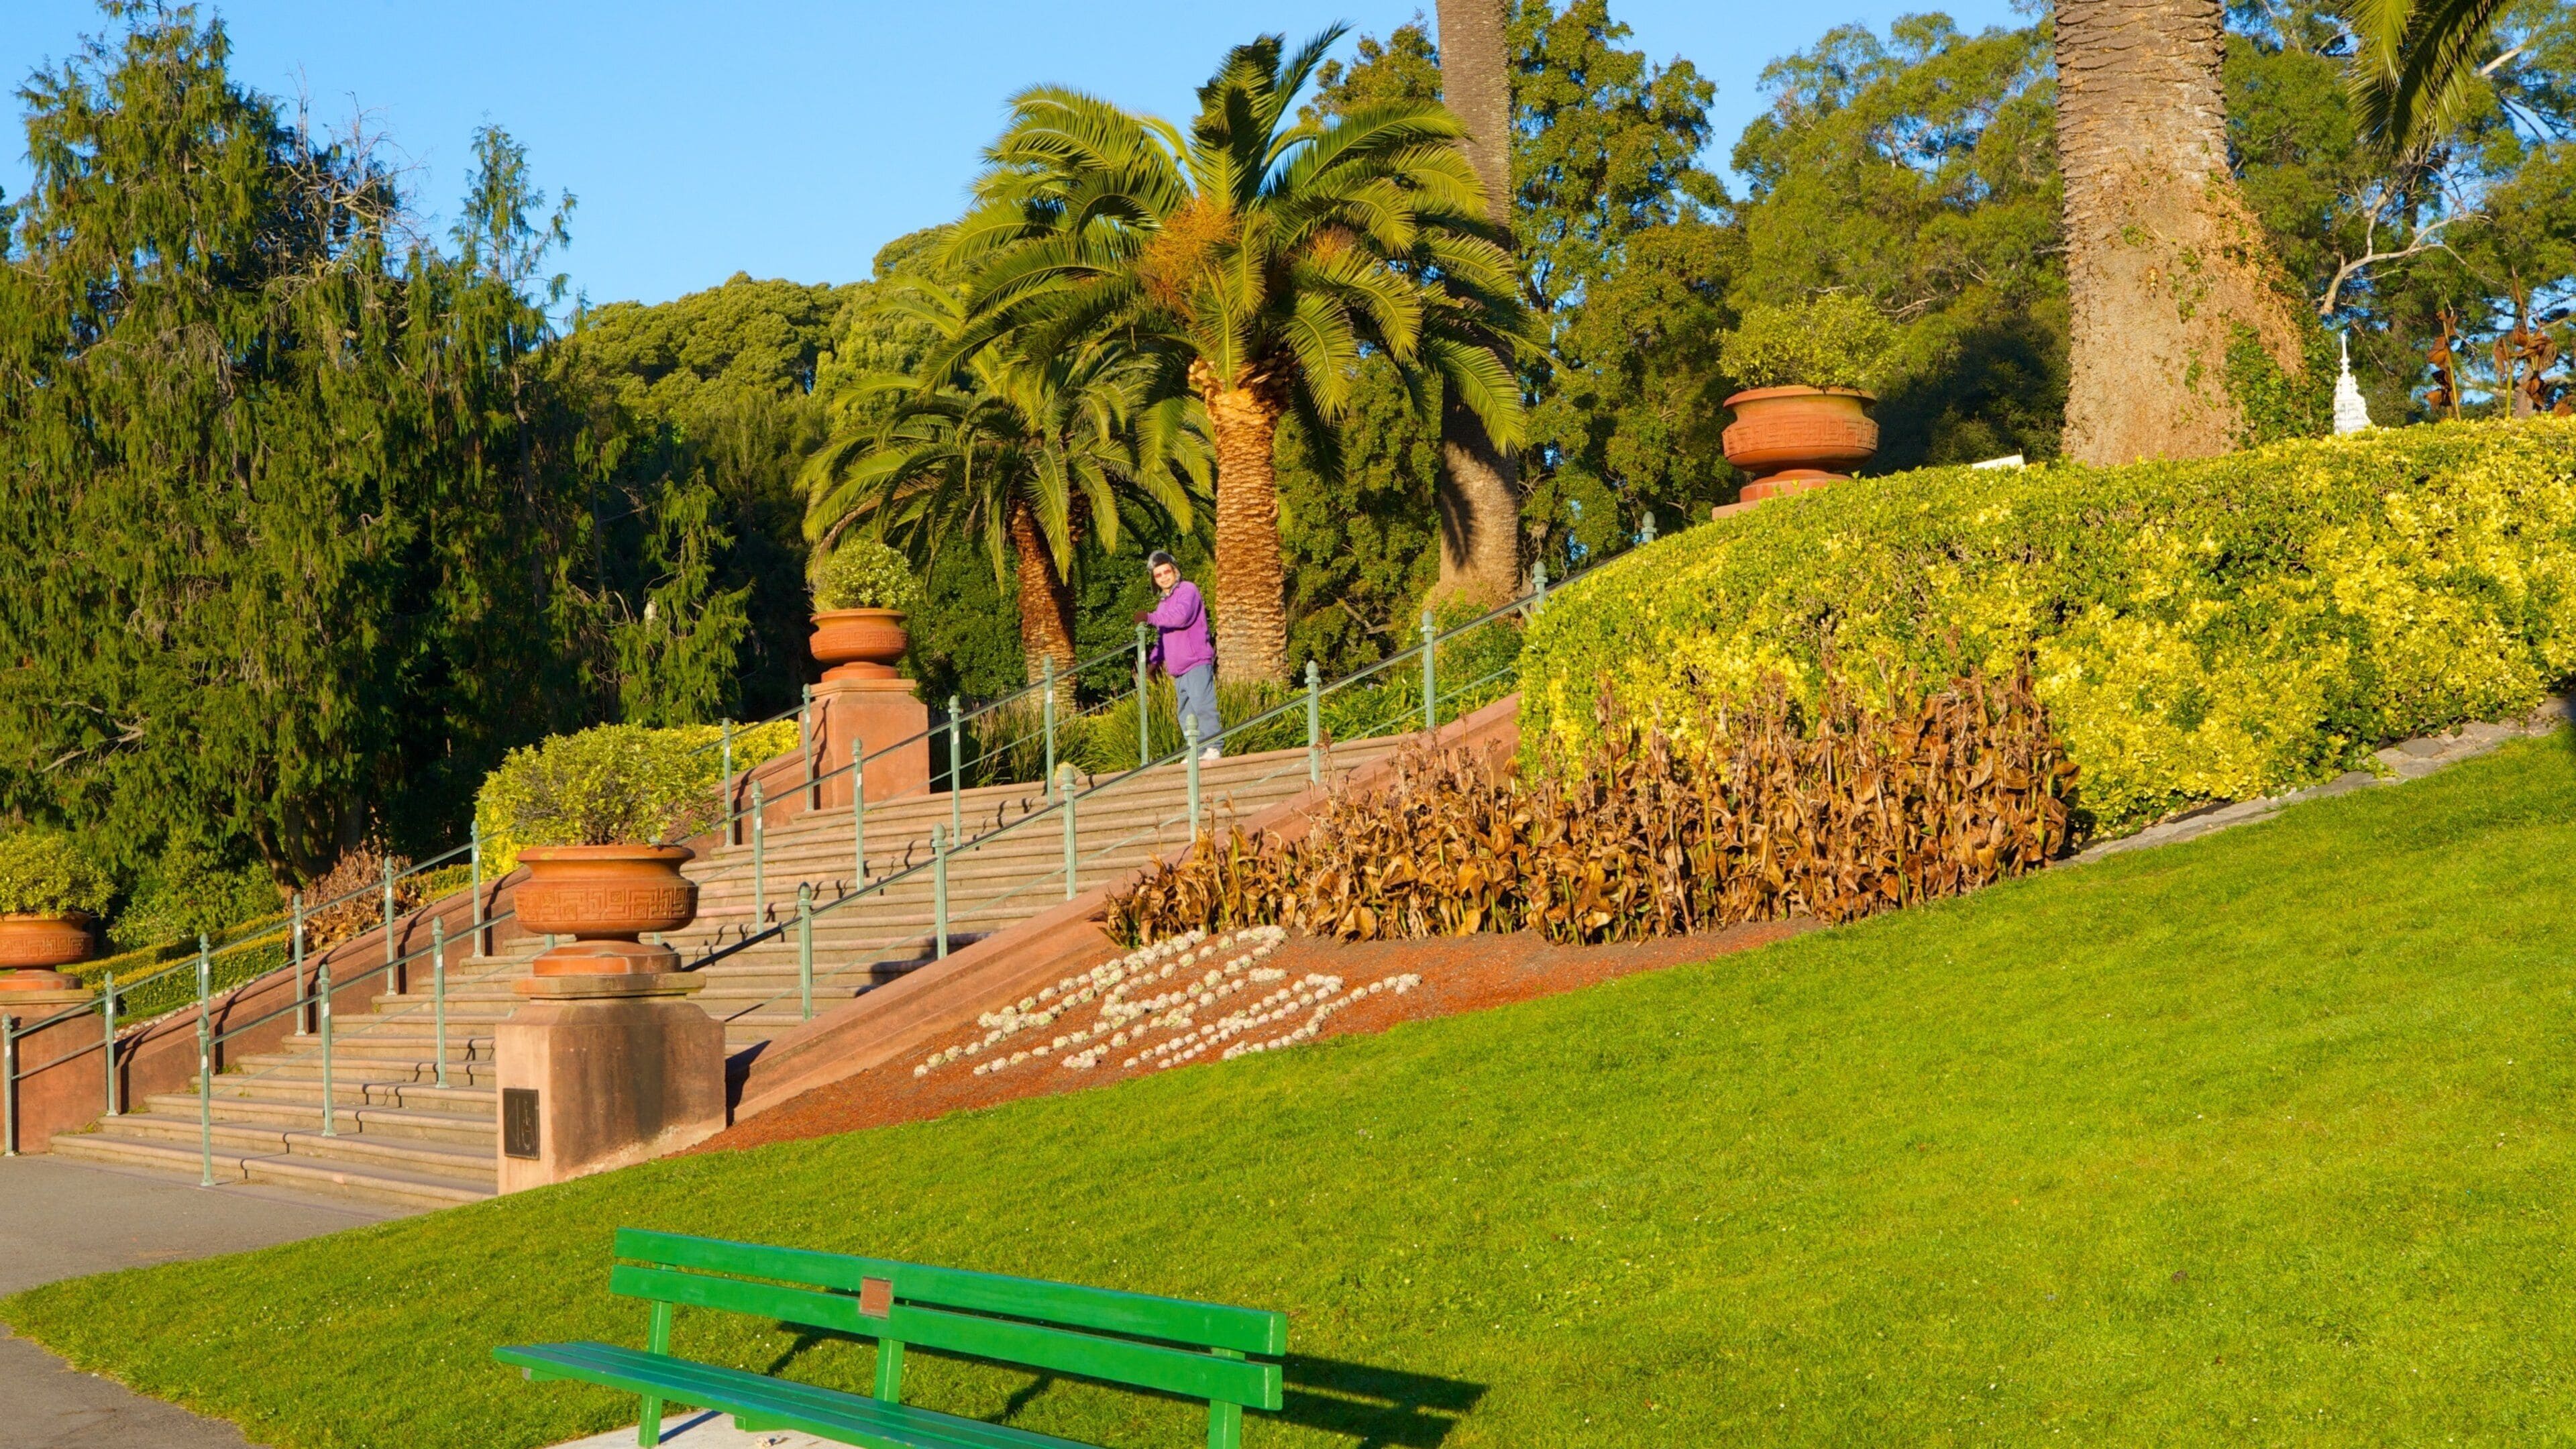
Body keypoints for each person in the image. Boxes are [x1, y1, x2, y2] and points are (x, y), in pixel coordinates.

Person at [1136, 551, 1221, 761]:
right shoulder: (1163, 603)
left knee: (1203, 705)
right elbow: (1163, 637)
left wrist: (1150, 617)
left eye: (1167, 572)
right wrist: (1154, 661)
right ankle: (1197, 750)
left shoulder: (1188, 590)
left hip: (1196, 661)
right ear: (1154, 580)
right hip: (1178, 668)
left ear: (1175, 571)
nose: (1164, 577)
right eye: (1158, 575)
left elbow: (1181, 617)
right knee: (1185, 713)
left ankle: (1214, 746)